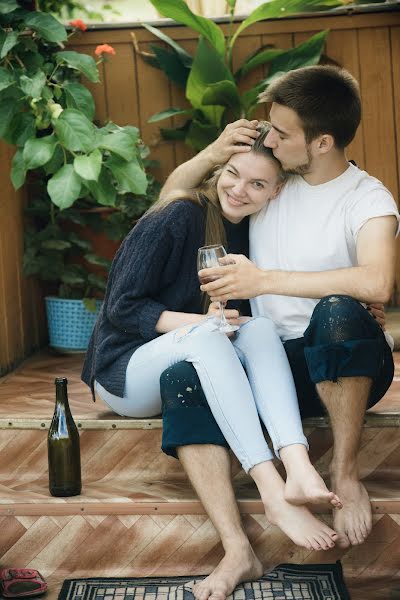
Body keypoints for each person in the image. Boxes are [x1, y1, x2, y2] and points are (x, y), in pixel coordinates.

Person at [158, 65, 399, 600]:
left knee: (340, 312)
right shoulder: (271, 182)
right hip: (273, 365)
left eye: (281, 132)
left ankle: (344, 471)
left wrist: (267, 279)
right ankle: (237, 549)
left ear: (322, 142)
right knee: (183, 373)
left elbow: (378, 281)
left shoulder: (368, 198)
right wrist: (217, 152)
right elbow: (175, 194)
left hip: (344, 360)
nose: (267, 137)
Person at [82, 122, 344, 562]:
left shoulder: (250, 231)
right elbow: (120, 309)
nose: (240, 190)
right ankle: (273, 492)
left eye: (257, 183)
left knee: (256, 329)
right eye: (233, 174)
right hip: (123, 373)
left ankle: (296, 465)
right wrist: (203, 322)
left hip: (187, 353)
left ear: (275, 192)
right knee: (211, 337)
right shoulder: (177, 215)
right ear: (219, 169)